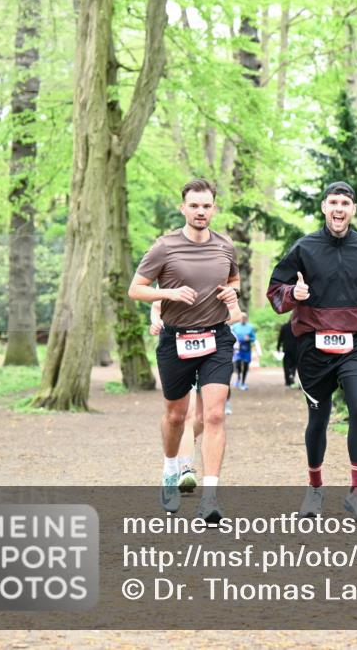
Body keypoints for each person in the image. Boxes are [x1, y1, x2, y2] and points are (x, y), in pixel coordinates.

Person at [267, 181, 357, 521]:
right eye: (333, 202)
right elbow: (275, 292)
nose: (339, 209)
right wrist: (292, 295)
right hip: (314, 345)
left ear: (353, 209)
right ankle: (315, 490)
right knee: (319, 417)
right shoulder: (304, 248)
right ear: (324, 208)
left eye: (345, 203)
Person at [128, 178, 241, 523]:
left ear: (214, 209)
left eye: (207, 206)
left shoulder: (225, 246)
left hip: (217, 339)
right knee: (177, 416)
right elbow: (136, 289)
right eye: (194, 205)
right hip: (176, 339)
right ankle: (169, 470)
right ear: (183, 208)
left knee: (215, 415)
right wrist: (169, 295)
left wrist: (231, 293)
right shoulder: (165, 247)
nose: (201, 211)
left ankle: (210, 497)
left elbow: (234, 280)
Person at [151, 300, 202, 493]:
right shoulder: (172, 275)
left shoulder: (217, 273)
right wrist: (156, 321)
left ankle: (184, 441)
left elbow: (236, 313)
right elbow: (156, 307)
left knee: (202, 418)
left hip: (211, 352)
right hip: (178, 352)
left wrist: (215, 323)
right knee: (184, 416)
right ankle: (184, 469)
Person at [230, 313, 261, 390]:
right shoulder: (235, 326)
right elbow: (231, 335)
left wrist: (249, 339)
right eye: (241, 318)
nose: (243, 319)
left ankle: (243, 382)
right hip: (238, 348)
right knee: (238, 364)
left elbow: (254, 338)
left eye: (244, 318)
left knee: (246, 365)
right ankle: (238, 378)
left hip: (246, 348)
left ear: (246, 319)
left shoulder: (250, 327)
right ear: (239, 318)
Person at [277, 319, 298, 387]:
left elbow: (280, 338)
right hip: (295, 348)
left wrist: (278, 347)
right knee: (294, 364)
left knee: (286, 365)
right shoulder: (296, 327)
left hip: (286, 349)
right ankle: (292, 374)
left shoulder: (284, 327)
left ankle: (287, 381)